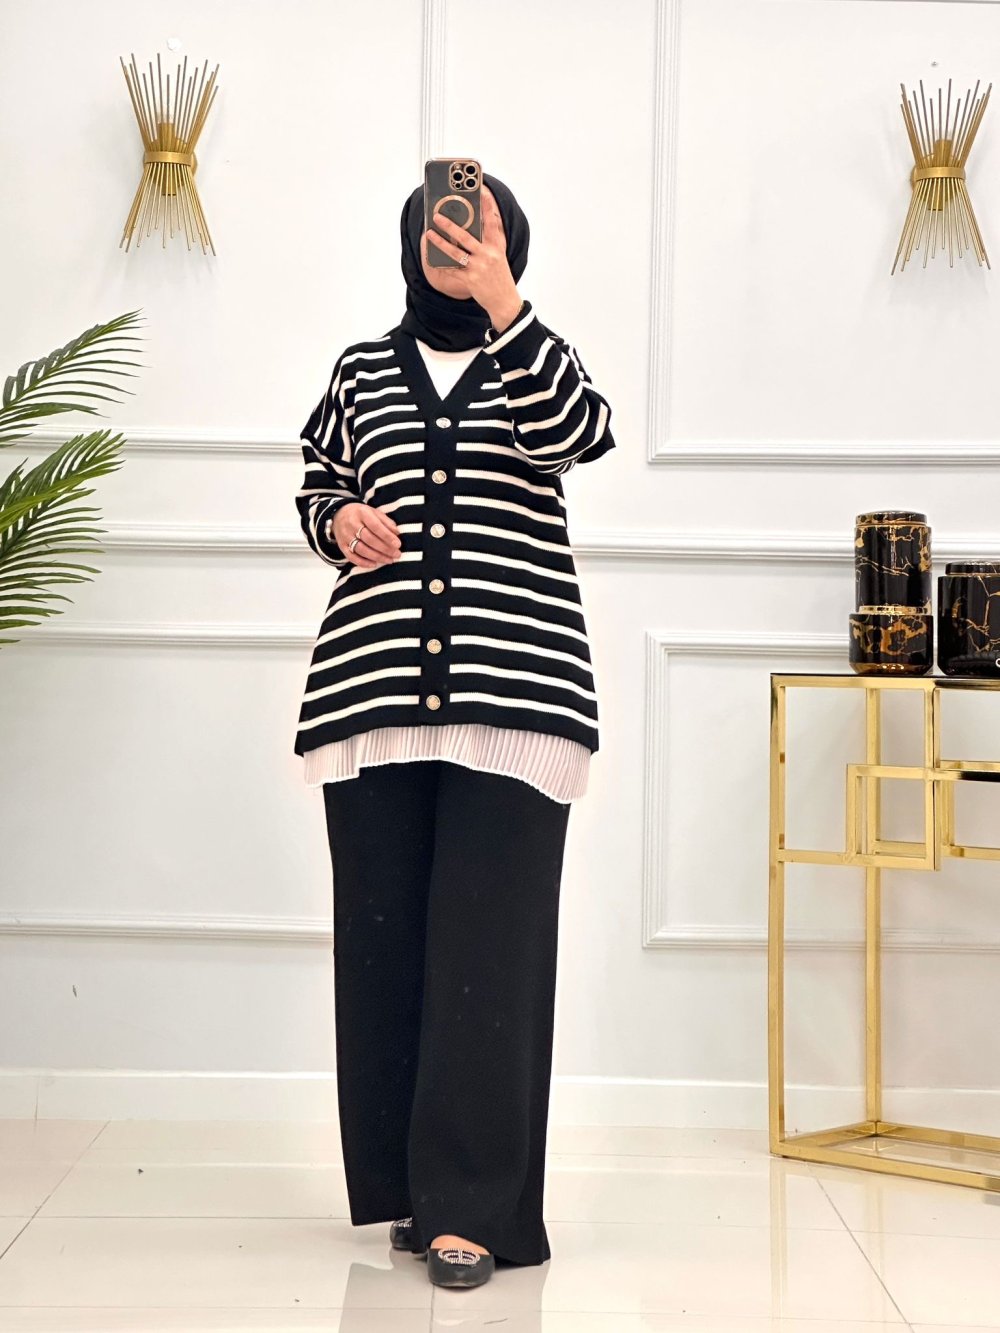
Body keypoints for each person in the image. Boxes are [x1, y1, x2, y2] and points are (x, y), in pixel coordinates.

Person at [293, 171, 616, 1288]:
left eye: (477, 229)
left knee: (491, 952)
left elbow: (580, 434)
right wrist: (340, 517)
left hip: (514, 698)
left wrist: (503, 304)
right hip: (373, 693)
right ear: (409, 242)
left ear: (507, 240)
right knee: (386, 948)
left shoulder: (535, 356)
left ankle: (474, 1209)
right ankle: (410, 1191)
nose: (455, 241)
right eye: (438, 229)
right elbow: (318, 482)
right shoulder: (359, 371)